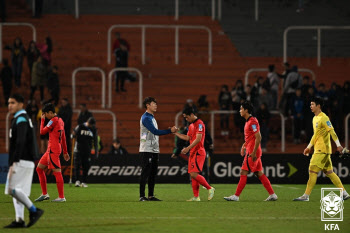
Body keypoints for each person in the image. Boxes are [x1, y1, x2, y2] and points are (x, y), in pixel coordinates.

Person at [294, 97, 350, 201]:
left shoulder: (324, 118)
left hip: (322, 150)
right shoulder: (314, 118)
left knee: (312, 170)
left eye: (312, 104)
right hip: (320, 150)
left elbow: (332, 131)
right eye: (310, 104)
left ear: (318, 106)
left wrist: (338, 145)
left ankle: (306, 196)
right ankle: (344, 193)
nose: (310, 106)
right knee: (329, 172)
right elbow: (315, 135)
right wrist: (308, 147)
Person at [224, 101, 277, 202]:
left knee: (243, 171)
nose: (240, 111)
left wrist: (253, 152)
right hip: (252, 149)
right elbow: (251, 138)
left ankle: (236, 196)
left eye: (241, 109)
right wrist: (244, 146)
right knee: (259, 174)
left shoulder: (252, 121)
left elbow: (259, 137)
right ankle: (272, 194)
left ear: (246, 110)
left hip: (253, 151)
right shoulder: (249, 121)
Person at [4, 94, 44, 228]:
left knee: (11, 189)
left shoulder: (21, 118)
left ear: (21, 104)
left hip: (21, 160)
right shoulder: (22, 118)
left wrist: (15, 160)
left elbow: (20, 141)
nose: (10, 105)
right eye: (9, 103)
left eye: (13, 103)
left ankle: (34, 210)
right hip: (26, 160)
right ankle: (19, 220)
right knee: (18, 192)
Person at [139, 97, 177, 201]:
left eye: (156, 104)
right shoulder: (146, 118)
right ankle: (142, 196)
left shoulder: (152, 117)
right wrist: (170, 130)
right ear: (147, 105)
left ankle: (150, 196)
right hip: (146, 149)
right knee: (145, 173)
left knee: (152, 173)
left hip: (154, 150)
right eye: (153, 103)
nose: (156, 105)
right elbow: (155, 132)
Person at [173, 106, 215, 201]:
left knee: (193, 174)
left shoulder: (200, 124)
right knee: (192, 175)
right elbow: (188, 138)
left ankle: (210, 188)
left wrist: (187, 148)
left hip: (198, 152)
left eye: (187, 117)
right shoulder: (191, 125)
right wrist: (176, 133)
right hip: (193, 152)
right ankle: (196, 197)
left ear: (192, 114)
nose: (186, 119)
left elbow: (198, 139)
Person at [35, 103, 70, 202]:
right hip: (52, 150)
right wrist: (65, 151)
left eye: (45, 114)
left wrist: (42, 121)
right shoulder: (61, 120)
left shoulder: (53, 121)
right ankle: (44, 194)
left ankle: (61, 197)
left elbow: (42, 132)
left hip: (53, 150)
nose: (44, 116)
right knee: (39, 169)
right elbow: (63, 137)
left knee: (57, 172)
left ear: (50, 112)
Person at [71, 117, 98, 188]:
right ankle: (77, 181)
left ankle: (84, 182)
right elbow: (72, 134)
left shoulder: (93, 129)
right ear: (87, 122)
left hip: (87, 151)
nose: (91, 126)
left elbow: (95, 141)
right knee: (77, 165)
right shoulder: (80, 126)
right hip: (78, 150)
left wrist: (96, 152)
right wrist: (73, 135)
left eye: (92, 125)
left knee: (86, 166)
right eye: (90, 124)